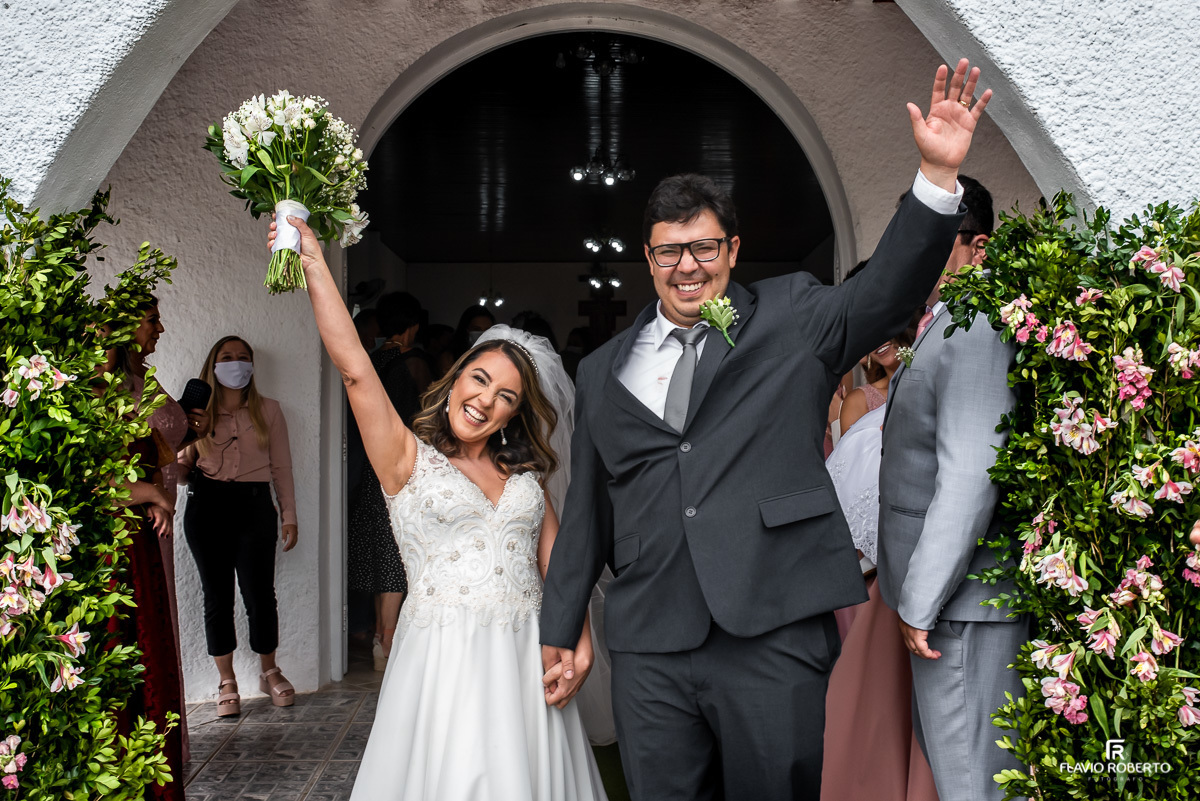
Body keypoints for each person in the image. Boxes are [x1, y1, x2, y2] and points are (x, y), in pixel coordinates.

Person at [539, 59, 992, 800]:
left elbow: (883, 294)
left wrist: (937, 177)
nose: (687, 266)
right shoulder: (601, 370)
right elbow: (588, 510)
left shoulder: (792, 316)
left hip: (772, 630)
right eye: (669, 251)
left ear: (733, 250)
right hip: (650, 640)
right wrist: (561, 626)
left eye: (704, 247)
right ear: (648, 259)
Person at [270, 216, 607, 800]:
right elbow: (354, 371)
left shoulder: (525, 473)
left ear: (514, 413)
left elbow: (558, 566)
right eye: (479, 380)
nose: (485, 400)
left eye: (505, 396)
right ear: (455, 380)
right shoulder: (405, 458)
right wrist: (315, 263)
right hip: (446, 657)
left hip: (529, 653)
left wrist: (579, 638)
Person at [877, 176, 1026, 801]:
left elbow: (969, 474)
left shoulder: (979, 325)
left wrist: (921, 600)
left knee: (972, 782)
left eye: (933, 237)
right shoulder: (943, 321)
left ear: (977, 247)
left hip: (962, 606)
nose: (915, 252)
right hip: (953, 604)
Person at [820, 312, 937, 801]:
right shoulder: (861, 406)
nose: (881, 342)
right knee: (870, 692)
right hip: (872, 569)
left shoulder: (932, 389)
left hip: (924, 564)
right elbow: (853, 486)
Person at [178, 336, 298, 715]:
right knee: (217, 597)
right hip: (207, 505)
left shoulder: (269, 410)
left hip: (254, 505)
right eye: (227, 357)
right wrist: (184, 436)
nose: (236, 364)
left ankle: (269, 670)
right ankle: (226, 680)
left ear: (252, 365)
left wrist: (289, 515)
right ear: (213, 366)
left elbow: (281, 467)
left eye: (243, 357)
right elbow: (180, 471)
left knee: (260, 594)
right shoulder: (197, 413)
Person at [117, 296, 211, 764]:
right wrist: (152, 493)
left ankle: (169, 739)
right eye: (152, 320)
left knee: (162, 615)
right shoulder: (113, 387)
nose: (160, 328)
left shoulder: (144, 379)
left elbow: (161, 444)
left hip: (161, 511)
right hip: (142, 516)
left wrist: (193, 432)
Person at [347, 292, 426, 670]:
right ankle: (388, 641)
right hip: (404, 466)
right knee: (397, 553)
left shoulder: (371, 361)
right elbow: (427, 417)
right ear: (414, 326)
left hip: (370, 467)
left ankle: (381, 635)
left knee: (381, 551)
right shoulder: (413, 363)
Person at [442, 304, 496, 374]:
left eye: (487, 330)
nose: (482, 334)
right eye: (477, 329)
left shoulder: (497, 355)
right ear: (467, 330)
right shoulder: (449, 357)